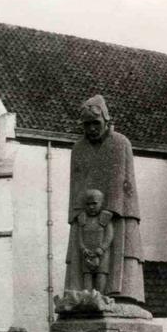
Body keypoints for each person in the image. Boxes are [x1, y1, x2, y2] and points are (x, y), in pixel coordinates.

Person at [64, 95, 145, 304]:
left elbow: (123, 180)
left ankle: (119, 294)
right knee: (83, 267)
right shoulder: (78, 148)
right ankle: (83, 295)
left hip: (117, 212)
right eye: (87, 124)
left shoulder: (120, 143)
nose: (91, 128)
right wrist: (76, 213)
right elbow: (76, 183)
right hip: (86, 215)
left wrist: (111, 209)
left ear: (106, 121)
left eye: (96, 123)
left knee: (120, 255)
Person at [77, 189, 114, 293]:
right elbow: (79, 237)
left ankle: (99, 297)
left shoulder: (105, 217)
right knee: (87, 276)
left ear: (101, 203)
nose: (91, 207)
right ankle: (88, 298)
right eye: (88, 204)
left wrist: (101, 249)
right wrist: (83, 249)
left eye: (94, 204)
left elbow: (109, 235)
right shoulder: (82, 218)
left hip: (101, 254)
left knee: (101, 274)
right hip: (87, 254)